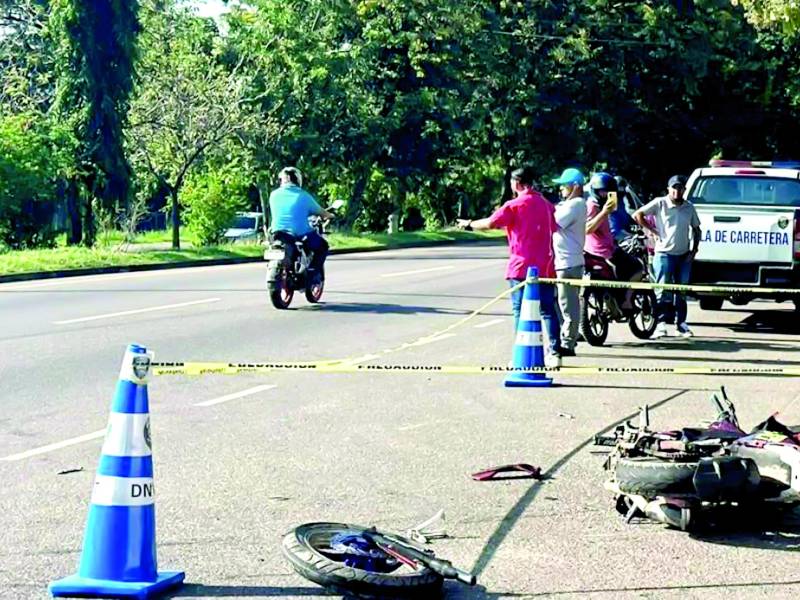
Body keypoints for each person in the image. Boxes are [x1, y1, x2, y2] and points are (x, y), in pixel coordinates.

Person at [457, 166, 562, 367]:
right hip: (546, 265)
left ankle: (522, 354)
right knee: (548, 310)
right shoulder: (546, 205)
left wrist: (469, 223)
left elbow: (490, 223)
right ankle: (555, 353)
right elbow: (554, 228)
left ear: (516, 183)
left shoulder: (514, 205)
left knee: (520, 311)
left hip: (521, 266)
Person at [633, 174, 701, 339]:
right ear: (669, 189)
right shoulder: (660, 203)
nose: (677, 191)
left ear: (684, 190)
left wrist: (694, 250)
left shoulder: (689, 207)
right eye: (674, 188)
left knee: (681, 291)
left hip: (683, 255)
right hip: (664, 253)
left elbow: (697, 229)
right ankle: (660, 324)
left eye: (680, 188)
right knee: (662, 290)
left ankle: (681, 324)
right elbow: (638, 215)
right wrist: (652, 231)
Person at [584, 173, 643, 308]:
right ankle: (626, 301)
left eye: (609, 192)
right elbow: (588, 229)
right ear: (595, 191)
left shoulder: (611, 204)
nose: (606, 195)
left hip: (608, 246)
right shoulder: (593, 206)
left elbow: (623, 216)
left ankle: (617, 300)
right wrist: (605, 212)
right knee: (638, 268)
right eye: (603, 192)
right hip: (602, 251)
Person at [268, 167, 333, 280]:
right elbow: (321, 212)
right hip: (299, 233)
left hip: (276, 233)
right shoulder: (303, 196)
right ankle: (311, 274)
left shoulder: (273, 195)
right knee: (323, 246)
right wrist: (330, 215)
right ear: (298, 180)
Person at [550, 167, 587, 356]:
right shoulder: (569, 205)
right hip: (564, 261)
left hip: (569, 262)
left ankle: (568, 343)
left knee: (568, 305)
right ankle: (568, 336)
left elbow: (553, 222)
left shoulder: (576, 204)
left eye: (564, 186)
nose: (561, 189)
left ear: (575, 186)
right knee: (559, 302)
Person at [609, 175, 635, 243]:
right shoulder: (612, 200)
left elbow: (624, 214)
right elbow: (614, 226)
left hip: (624, 230)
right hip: (617, 235)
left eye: (623, 188)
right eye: (620, 188)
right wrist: (630, 235)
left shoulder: (621, 200)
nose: (622, 190)